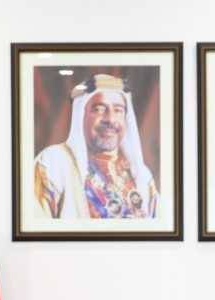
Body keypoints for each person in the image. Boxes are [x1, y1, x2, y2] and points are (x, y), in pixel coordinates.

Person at [34, 73, 158, 219]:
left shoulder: (142, 175)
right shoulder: (53, 163)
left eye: (118, 110)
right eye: (99, 109)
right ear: (81, 115)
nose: (110, 119)